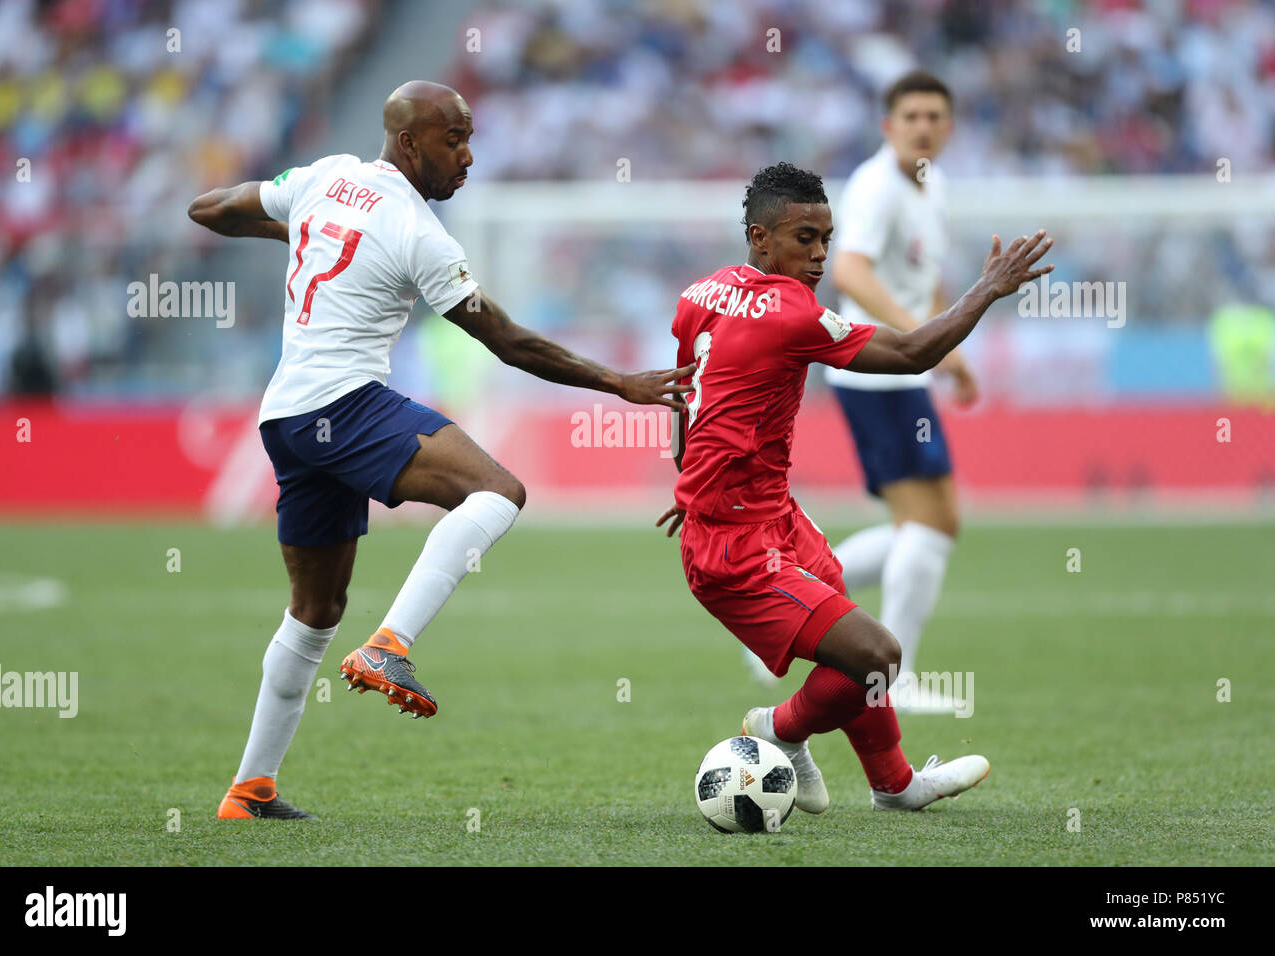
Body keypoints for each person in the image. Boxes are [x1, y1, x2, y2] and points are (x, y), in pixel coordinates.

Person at [189, 81, 694, 820]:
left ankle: (249, 788)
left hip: (286, 420)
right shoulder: (416, 231)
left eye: (470, 138)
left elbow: (211, 208)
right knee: (498, 492)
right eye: (453, 139)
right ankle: (391, 643)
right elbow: (508, 341)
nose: (467, 156)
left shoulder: (323, 178)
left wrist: (305, 225)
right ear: (408, 143)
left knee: (315, 609)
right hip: (345, 403)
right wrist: (619, 381)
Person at [658, 162, 1051, 812]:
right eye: (803, 238)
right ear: (760, 238)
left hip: (773, 514)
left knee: (848, 631)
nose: (818, 255)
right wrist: (988, 289)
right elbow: (909, 354)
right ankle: (778, 728)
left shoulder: (701, 293)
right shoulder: (792, 315)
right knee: (878, 656)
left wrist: (689, 477)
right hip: (732, 548)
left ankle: (893, 785)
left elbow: (684, 391)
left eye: (825, 239)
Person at [813, 71, 974, 712]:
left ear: (949, 126)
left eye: (935, 116)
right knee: (930, 526)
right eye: (911, 116)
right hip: (874, 372)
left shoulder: (933, 187)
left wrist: (949, 351)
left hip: (906, 371)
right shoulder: (876, 187)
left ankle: (793, 598)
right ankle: (891, 678)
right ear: (889, 126)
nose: (923, 127)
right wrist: (919, 336)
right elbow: (849, 270)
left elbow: (926, 282)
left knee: (931, 523)